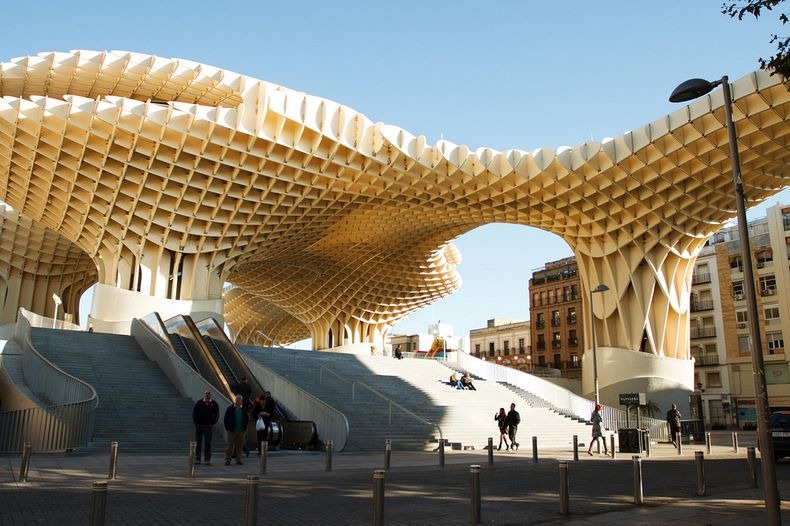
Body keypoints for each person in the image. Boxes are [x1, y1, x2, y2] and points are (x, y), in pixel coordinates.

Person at [192, 390, 219, 465]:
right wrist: (196, 423)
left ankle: (207, 459)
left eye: (209, 394)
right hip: (199, 425)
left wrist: (212, 423)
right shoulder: (199, 403)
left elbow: (217, 414)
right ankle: (197, 458)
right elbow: (194, 413)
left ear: (211, 395)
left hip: (208, 426)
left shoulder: (214, 404)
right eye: (206, 393)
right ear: (204, 394)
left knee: (208, 442)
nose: (207, 395)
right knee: (198, 442)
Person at [223, 394, 249, 465]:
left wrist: (245, 427)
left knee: (239, 445)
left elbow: (246, 418)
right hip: (232, 430)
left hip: (241, 430)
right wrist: (228, 428)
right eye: (237, 399)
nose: (238, 400)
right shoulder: (230, 409)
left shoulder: (244, 409)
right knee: (230, 446)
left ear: (241, 401)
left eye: (239, 399)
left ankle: (238, 459)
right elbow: (226, 419)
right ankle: (228, 459)